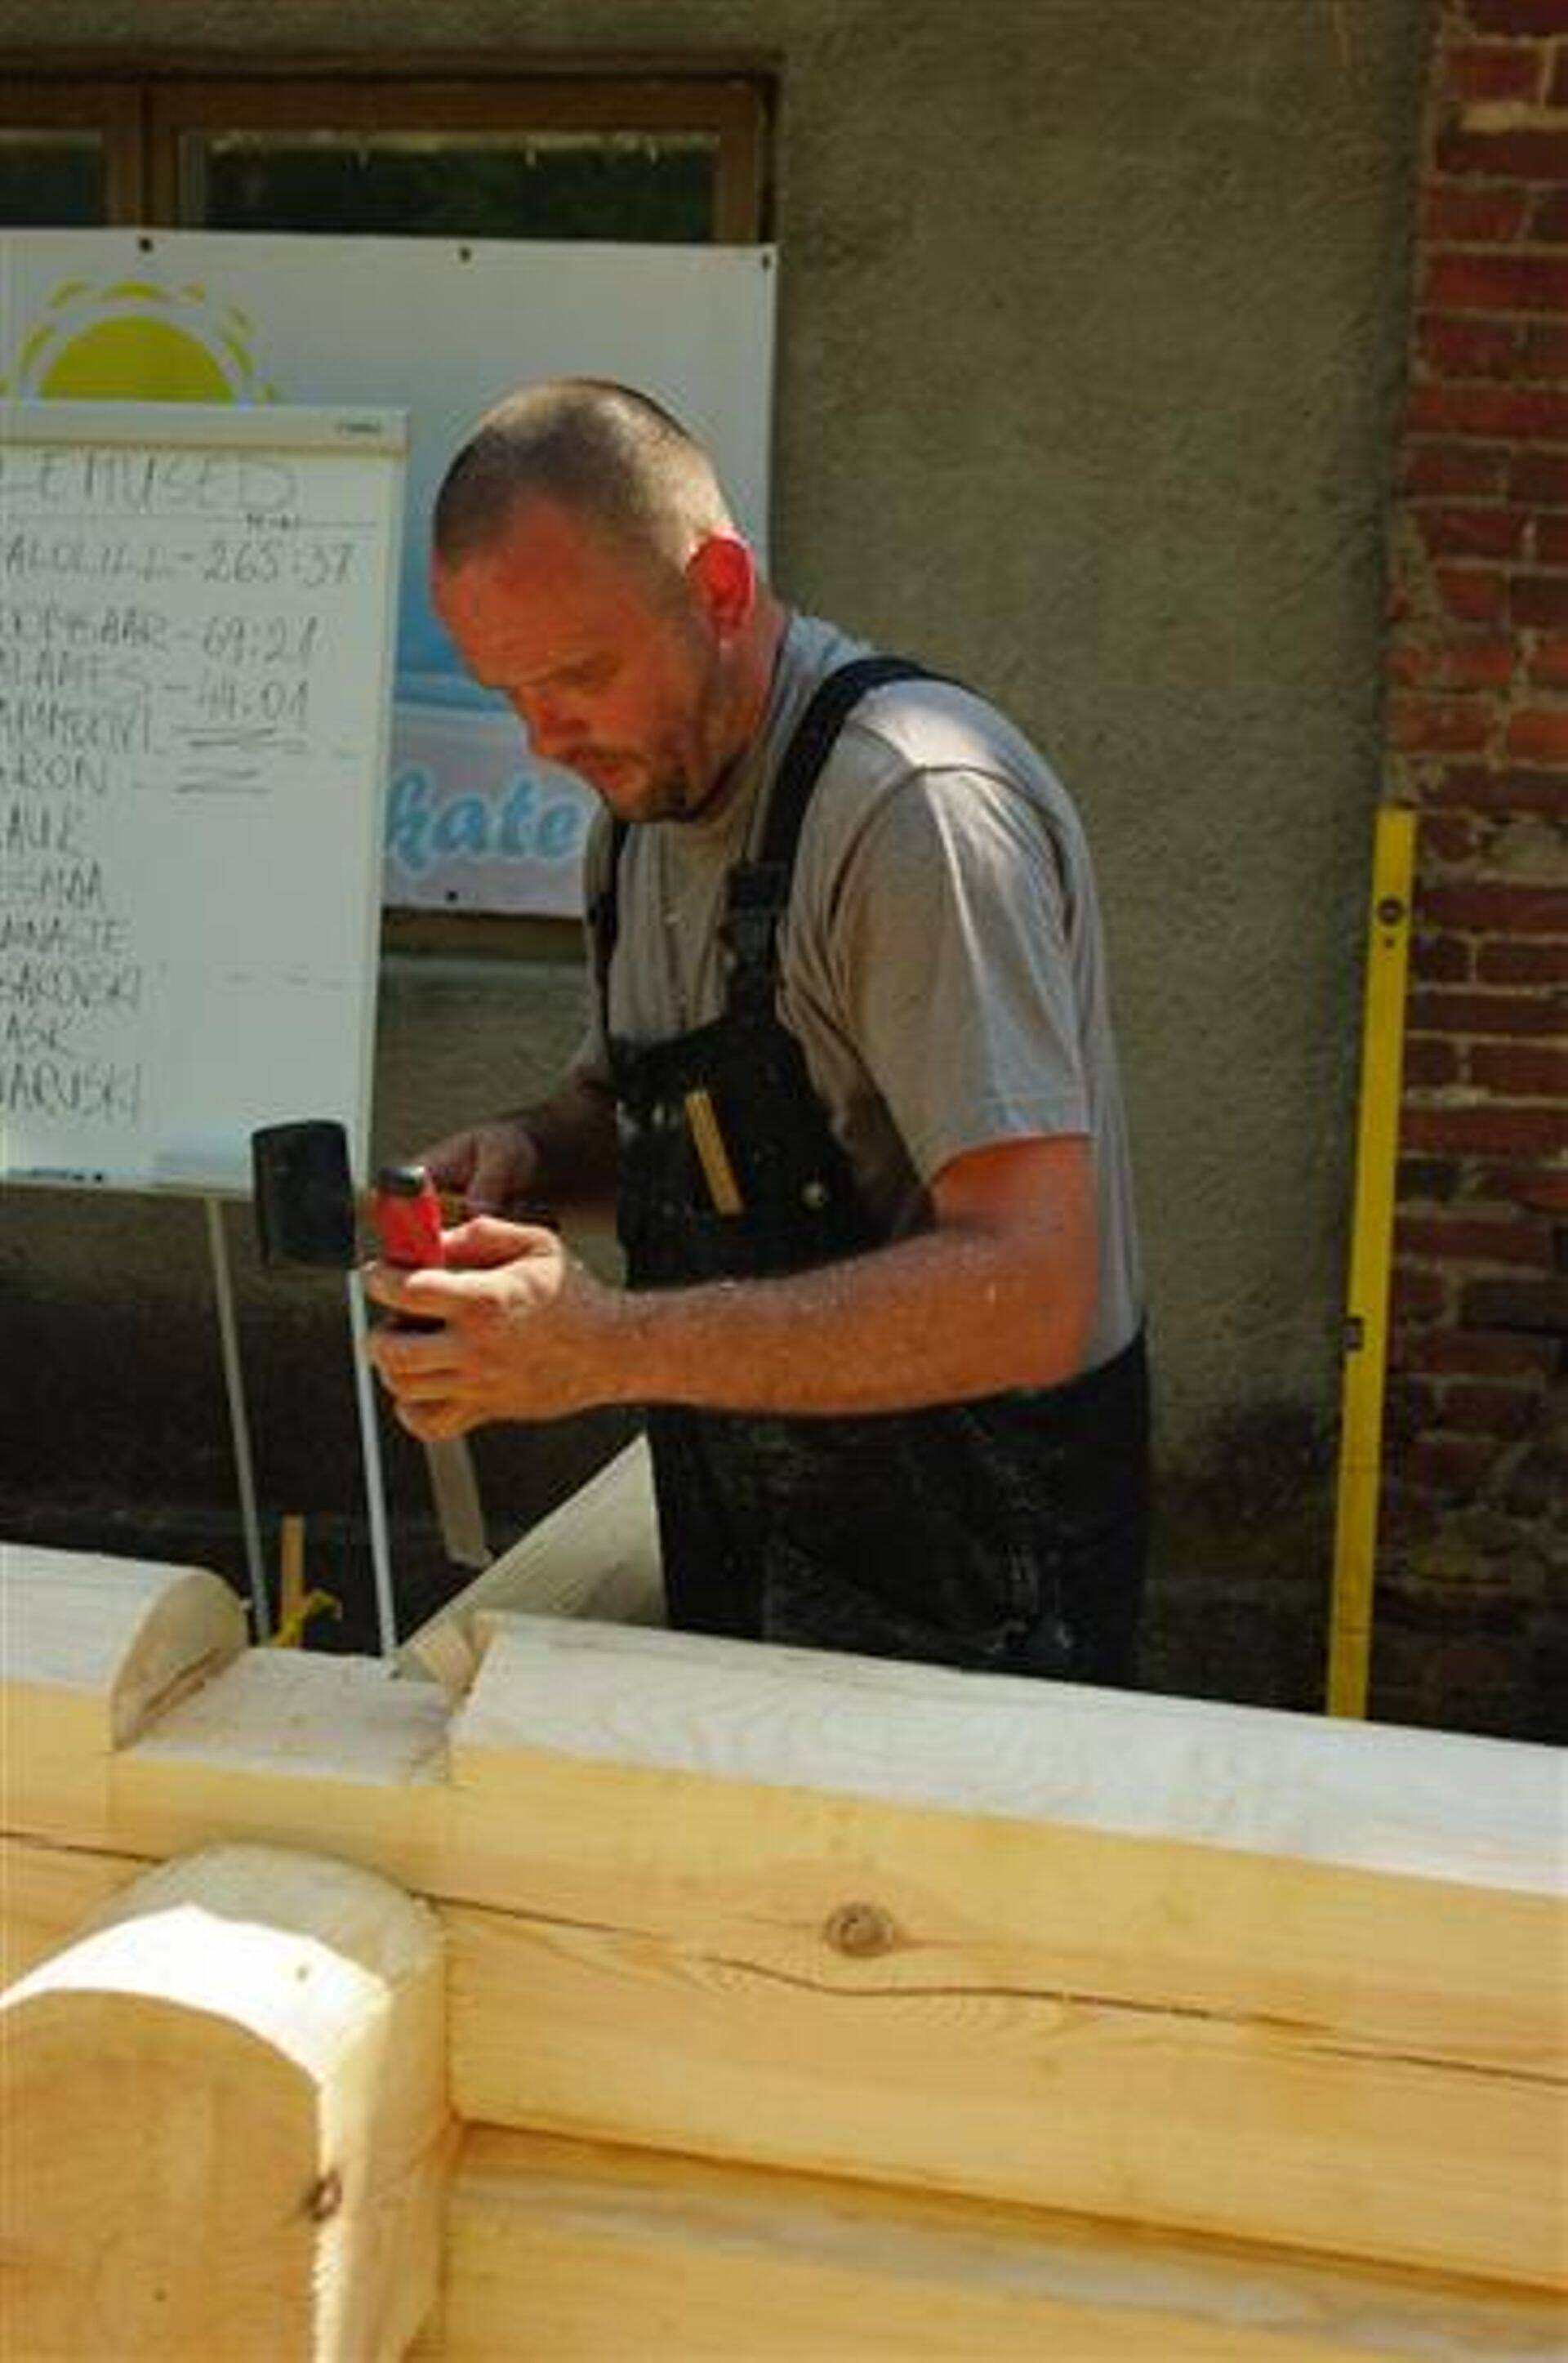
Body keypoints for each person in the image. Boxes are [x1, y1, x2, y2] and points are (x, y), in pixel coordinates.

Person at [368, 377, 1149, 1681]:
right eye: (510, 696)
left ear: (721, 588)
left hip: (991, 1611)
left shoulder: (913, 812)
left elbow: (1036, 1288)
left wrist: (602, 1348)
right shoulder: (640, 817)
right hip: (761, 1567)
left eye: (577, 678)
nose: (547, 741)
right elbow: (672, 1132)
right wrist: (526, 1160)